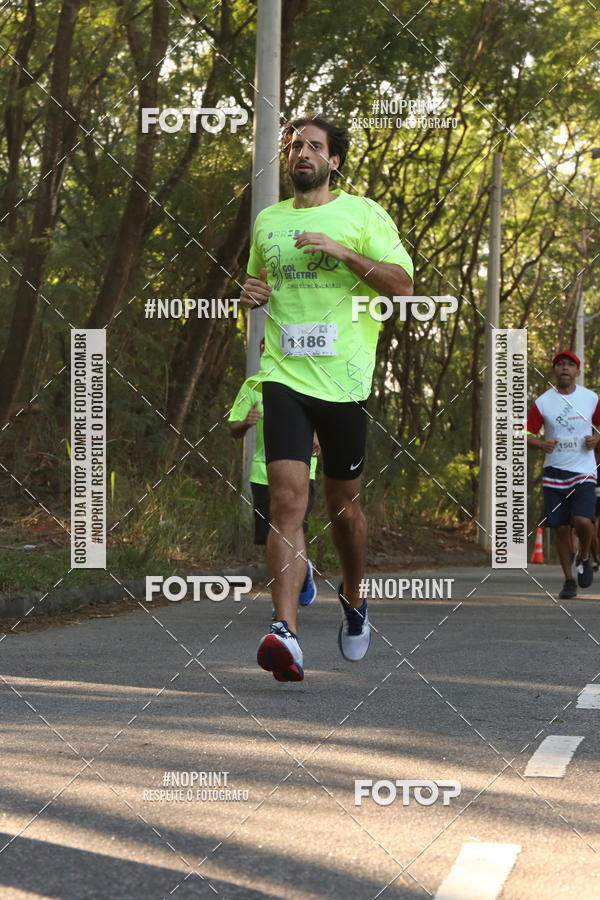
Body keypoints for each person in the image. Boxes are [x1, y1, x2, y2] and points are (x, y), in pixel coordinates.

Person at [239, 115, 413, 681]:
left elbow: (402, 285)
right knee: (287, 504)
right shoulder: (267, 221)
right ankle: (285, 633)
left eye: (314, 146)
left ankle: (355, 598)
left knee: (343, 507)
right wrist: (251, 293)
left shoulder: (363, 214)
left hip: (345, 383)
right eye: (294, 146)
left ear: (334, 159)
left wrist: (341, 251)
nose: (301, 154)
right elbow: (258, 287)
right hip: (285, 378)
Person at [228, 359, 320, 610]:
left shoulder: (311, 380)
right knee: (270, 535)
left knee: (292, 526)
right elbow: (233, 428)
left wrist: (318, 434)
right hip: (263, 473)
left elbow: (329, 419)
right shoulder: (254, 385)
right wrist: (246, 422)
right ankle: (298, 577)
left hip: (302, 471)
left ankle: (283, 603)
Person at [526, 350, 600, 599]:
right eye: (560, 364)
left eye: (570, 364)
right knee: (558, 529)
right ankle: (569, 580)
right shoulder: (543, 402)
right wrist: (540, 444)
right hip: (554, 473)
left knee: (582, 521)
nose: (565, 368)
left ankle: (585, 555)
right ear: (554, 371)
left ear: (577, 372)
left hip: (583, 471)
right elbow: (523, 432)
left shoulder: (590, 398)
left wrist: (597, 438)